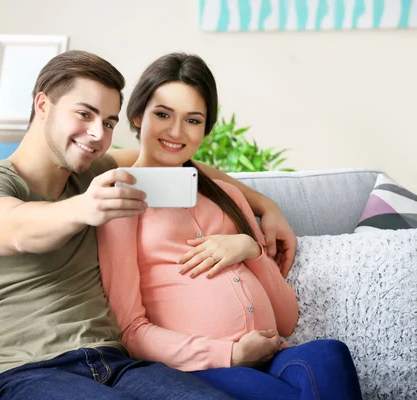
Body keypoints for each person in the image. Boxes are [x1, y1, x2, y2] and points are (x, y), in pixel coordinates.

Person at [0, 50, 294, 399]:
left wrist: (265, 204)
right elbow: (15, 230)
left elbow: (180, 161)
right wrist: (85, 207)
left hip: (115, 364)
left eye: (109, 122)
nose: (97, 134)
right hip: (23, 374)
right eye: (84, 114)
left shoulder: (92, 170)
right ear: (42, 105)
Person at [97, 52, 363, 400]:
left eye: (193, 120)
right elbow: (130, 331)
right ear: (137, 115)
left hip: (272, 355)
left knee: (329, 354)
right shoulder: (121, 201)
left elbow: (286, 319)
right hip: (201, 369)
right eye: (163, 114)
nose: (176, 132)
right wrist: (231, 354)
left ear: (205, 129)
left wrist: (248, 248)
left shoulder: (227, 195)